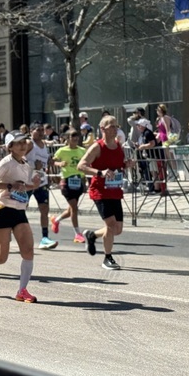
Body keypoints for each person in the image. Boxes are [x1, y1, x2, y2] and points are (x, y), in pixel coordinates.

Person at [0, 132, 41, 302]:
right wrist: (9, 185)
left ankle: (22, 290)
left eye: (24, 142)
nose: (23, 145)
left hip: (19, 211)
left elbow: (22, 188)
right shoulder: (6, 162)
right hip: (2, 209)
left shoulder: (25, 164)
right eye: (18, 143)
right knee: (2, 258)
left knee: (28, 250)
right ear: (10, 147)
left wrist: (34, 185)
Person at [78, 115, 133, 270]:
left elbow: (118, 165)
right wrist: (99, 172)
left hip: (115, 190)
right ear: (102, 129)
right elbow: (81, 165)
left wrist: (127, 164)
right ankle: (107, 258)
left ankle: (91, 235)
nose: (115, 129)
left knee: (118, 229)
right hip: (100, 191)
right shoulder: (97, 147)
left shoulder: (118, 145)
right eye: (111, 126)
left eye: (116, 126)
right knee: (110, 225)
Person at [50, 130, 87, 243]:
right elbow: (52, 161)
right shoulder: (62, 150)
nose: (75, 139)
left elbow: (86, 164)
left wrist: (85, 181)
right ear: (67, 138)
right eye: (72, 137)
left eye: (77, 137)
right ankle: (77, 234)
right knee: (74, 208)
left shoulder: (82, 150)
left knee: (72, 209)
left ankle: (56, 220)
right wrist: (59, 164)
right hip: (67, 181)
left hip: (78, 180)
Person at [27, 122, 58, 249]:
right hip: (27, 181)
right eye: (37, 130)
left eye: (42, 130)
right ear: (31, 131)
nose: (40, 132)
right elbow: (19, 159)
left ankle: (45, 237)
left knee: (44, 209)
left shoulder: (43, 145)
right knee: (21, 207)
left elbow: (44, 162)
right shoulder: (29, 144)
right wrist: (34, 166)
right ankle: (16, 231)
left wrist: (50, 161)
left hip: (41, 181)